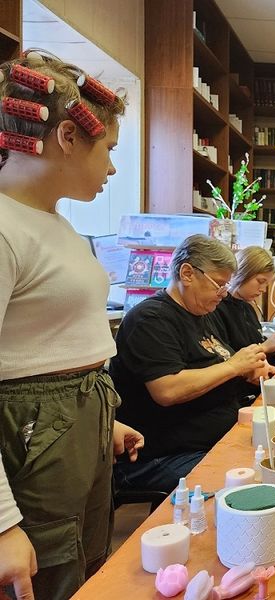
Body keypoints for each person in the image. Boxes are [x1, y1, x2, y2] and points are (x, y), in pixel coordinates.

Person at [0, 50, 144, 600]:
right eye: (107, 149)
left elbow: (49, 344)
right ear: (66, 136)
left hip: (77, 426)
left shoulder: (56, 224)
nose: (110, 167)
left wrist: (97, 423)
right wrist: (5, 525)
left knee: (84, 565)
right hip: (32, 441)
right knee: (49, 573)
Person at [110, 234, 273, 494]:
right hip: (162, 454)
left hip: (213, 437)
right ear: (187, 273)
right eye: (218, 284)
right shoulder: (150, 319)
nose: (223, 293)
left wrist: (246, 371)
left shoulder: (202, 313)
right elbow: (168, 390)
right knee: (256, 483)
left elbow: (218, 364)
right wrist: (234, 367)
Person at [213, 246, 275, 367]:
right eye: (260, 281)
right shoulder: (217, 308)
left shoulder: (247, 308)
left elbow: (264, 360)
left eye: (266, 284)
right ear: (241, 272)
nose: (263, 289)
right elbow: (226, 362)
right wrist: (263, 347)